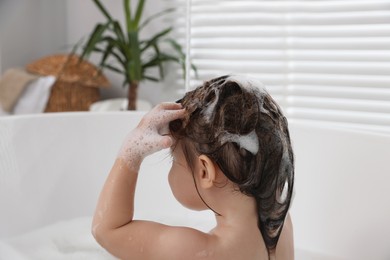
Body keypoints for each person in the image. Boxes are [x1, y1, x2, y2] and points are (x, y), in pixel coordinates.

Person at [92, 75, 295, 260]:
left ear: (205, 171)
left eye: (173, 160)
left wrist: (130, 152)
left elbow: (107, 230)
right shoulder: (281, 226)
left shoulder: (195, 251)